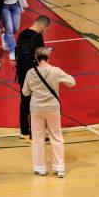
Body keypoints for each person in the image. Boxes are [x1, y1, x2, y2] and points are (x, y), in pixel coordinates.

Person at [22, 47, 76, 178]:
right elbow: (72, 82)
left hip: (36, 108)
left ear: (36, 58)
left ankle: (40, 168)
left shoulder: (30, 73)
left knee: (38, 138)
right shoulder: (55, 71)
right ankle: (59, 168)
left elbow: (25, 92)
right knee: (56, 136)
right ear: (48, 57)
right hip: (52, 108)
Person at [16, 16, 51, 137]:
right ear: (42, 26)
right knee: (36, 103)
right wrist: (47, 52)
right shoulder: (38, 37)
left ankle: (24, 131)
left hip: (22, 74)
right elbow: (41, 57)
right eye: (46, 29)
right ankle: (36, 132)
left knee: (24, 101)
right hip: (35, 75)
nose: (45, 31)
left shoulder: (21, 35)